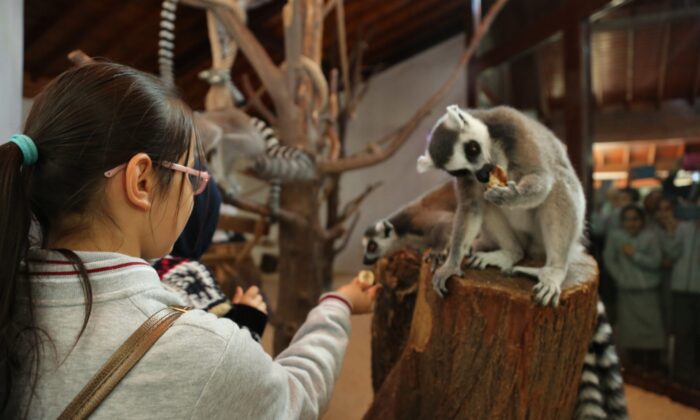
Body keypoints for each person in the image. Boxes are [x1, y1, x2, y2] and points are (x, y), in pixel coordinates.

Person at [0, 62, 379, 419]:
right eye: (191, 175)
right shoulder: (203, 349)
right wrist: (337, 305)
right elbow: (298, 396)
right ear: (142, 181)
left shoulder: (11, 297)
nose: (194, 193)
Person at [603, 204, 665, 369]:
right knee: (631, 335)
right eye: (627, 220)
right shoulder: (616, 237)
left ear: (642, 220)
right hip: (627, 292)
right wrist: (621, 277)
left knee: (652, 334)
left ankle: (653, 371)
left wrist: (635, 255)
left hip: (648, 293)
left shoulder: (651, 237)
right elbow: (609, 260)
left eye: (635, 219)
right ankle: (635, 373)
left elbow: (656, 262)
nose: (631, 223)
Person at [661, 196, 700, 386]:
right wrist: (670, 232)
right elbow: (671, 252)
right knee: (682, 333)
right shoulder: (684, 228)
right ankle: (681, 376)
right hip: (680, 290)